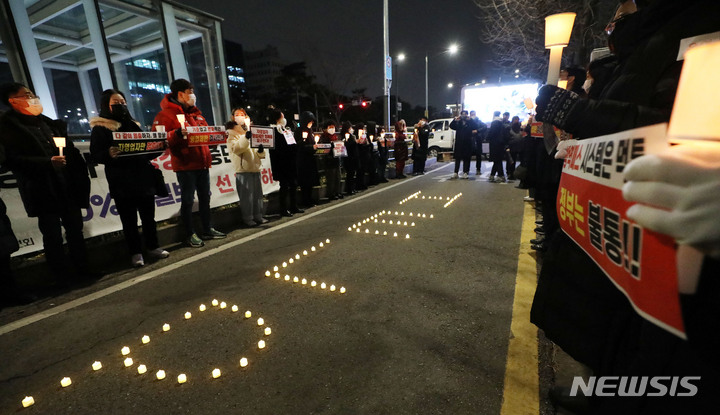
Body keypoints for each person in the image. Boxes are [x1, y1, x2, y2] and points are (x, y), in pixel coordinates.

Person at [532, 0, 720, 412]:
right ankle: (603, 387)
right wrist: (580, 142)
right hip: (624, 221)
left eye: (621, 16)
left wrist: (585, 114)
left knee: (663, 348)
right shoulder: (653, 36)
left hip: (680, 234)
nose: (614, 24)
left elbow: (676, 124)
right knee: (620, 324)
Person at [0, 83, 92, 283]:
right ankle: (62, 276)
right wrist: (47, 163)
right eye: (26, 95)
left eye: (32, 93)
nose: (32, 97)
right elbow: (13, 160)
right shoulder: (8, 128)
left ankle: (83, 270)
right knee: (52, 235)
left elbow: (69, 150)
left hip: (66, 186)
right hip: (42, 189)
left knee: (75, 230)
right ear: (13, 101)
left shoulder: (48, 123)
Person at [90, 89, 169, 267]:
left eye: (122, 102)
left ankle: (153, 246)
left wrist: (159, 147)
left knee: (149, 218)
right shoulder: (100, 128)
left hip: (143, 179)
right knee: (129, 221)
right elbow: (95, 155)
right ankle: (135, 253)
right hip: (121, 183)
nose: (121, 106)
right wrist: (108, 153)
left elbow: (145, 153)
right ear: (106, 106)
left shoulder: (133, 125)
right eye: (115, 103)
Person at [152, 79, 226, 248]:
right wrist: (177, 133)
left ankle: (207, 229)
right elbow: (158, 139)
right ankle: (189, 234)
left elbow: (206, 134)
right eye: (190, 91)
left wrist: (217, 137)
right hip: (185, 166)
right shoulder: (165, 115)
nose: (193, 94)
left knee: (205, 198)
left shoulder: (196, 114)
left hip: (203, 163)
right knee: (187, 200)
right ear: (180, 94)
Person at [226, 108, 267, 227]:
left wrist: (260, 151)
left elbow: (257, 151)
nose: (240, 116)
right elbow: (236, 149)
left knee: (258, 195)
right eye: (237, 114)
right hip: (243, 169)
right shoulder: (231, 132)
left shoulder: (251, 130)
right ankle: (248, 218)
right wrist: (246, 138)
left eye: (242, 114)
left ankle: (258, 215)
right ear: (233, 117)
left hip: (254, 167)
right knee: (247, 197)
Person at [268, 109, 303, 217]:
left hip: (290, 162)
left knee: (293, 184)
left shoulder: (285, 130)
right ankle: (283, 209)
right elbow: (278, 149)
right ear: (277, 118)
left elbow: (292, 144)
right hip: (281, 163)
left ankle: (294, 206)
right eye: (282, 117)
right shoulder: (273, 131)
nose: (284, 119)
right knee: (284, 186)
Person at [296, 111, 319, 208]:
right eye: (310, 121)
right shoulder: (298, 131)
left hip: (310, 160)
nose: (311, 123)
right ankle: (305, 200)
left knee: (310, 182)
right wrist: (310, 147)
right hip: (303, 161)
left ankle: (309, 198)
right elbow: (298, 146)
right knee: (304, 183)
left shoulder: (310, 131)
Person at [318, 120, 342, 200]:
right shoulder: (324, 137)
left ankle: (337, 192)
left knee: (337, 177)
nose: (332, 129)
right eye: (330, 127)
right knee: (331, 178)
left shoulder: (336, 137)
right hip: (329, 161)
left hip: (336, 159)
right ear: (325, 128)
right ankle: (331, 194)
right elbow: (322, 149)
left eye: (333, 127)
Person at [449, 110, 476, 179]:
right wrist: (455, 120)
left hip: (467, 143)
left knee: (466, 158)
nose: (463, 116)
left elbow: (475, 126)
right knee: (457, 158)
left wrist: (470, 120)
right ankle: (456, 172)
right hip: (459, 143)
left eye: (465, 114)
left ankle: (465, 172)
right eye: (462, 114)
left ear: (467, 115)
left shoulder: (469, 122)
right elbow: (451, 126)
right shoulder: (458, 122)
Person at [486, 111, 507, 182]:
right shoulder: (501, 122)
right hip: (500, 143)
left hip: (495, 143)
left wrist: (487, 138)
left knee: (497, 160)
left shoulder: (495, 122)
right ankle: (492, 175)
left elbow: (492, 132)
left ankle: (501, 175)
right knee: (497, 160)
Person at [342, 121, 359, 193]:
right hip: (349, 157)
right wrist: (355, 142)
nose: (352, 129)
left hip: (353, 156)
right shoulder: (345, 136)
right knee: (350, 173)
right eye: (350, 128)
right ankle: (349, 189)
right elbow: (347, 146)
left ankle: (352, 188)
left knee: (352, 173)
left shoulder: (352, 136)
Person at [506, 116, 523, 181]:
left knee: (515, 160)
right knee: (511, 161)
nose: (516, 121)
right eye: (515, 119)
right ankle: (510, 173)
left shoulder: (520, 127)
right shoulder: (509, 127)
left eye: (517, 120)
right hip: (512, 146)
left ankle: (514, 174)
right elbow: (507, 137)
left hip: (519, 146)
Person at [469, 110, 487, 175]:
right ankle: (466, 170)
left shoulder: (478, 121)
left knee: (478, 155)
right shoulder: (468, 121)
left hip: (478, 140)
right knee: (468, 156)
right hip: (470, 140)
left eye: (474, 114)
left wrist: (478, 131)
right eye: (472, 114)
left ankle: (478, 169)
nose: (473, 115)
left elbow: (485, 126)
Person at [356, 123, 371, 190]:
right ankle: (359, 184)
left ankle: (362, 183)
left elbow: (369, 144)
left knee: (363, 170)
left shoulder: (365, 135)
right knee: (360, 171)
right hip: (359, 155)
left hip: (365, 154)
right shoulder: (356, 136)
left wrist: (366, 141)